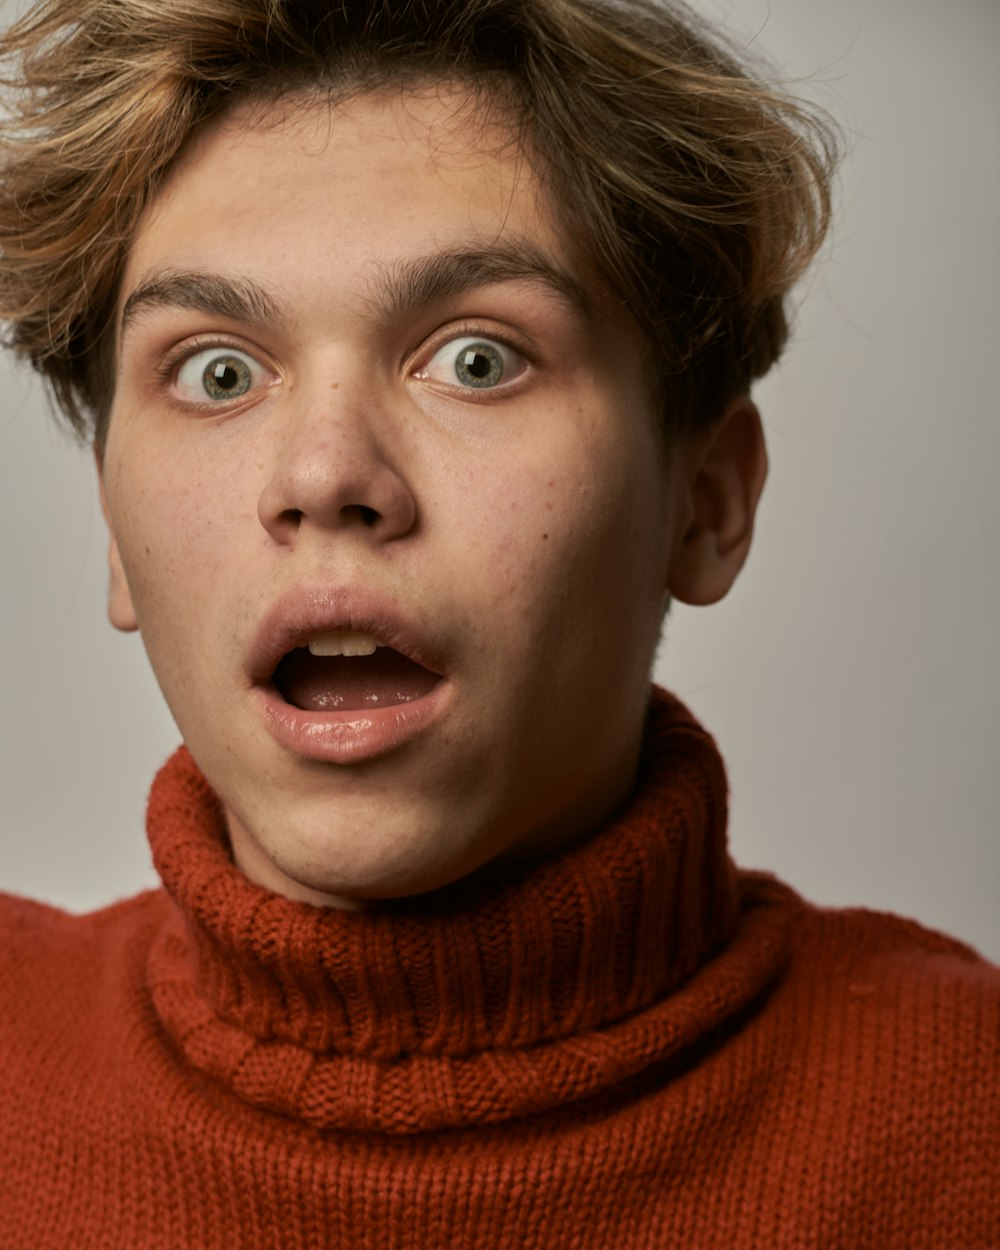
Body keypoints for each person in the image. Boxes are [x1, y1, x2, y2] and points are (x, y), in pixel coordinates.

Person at [0, 0, 995, 1246]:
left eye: (477, 357)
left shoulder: (968, 1116)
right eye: (216, 371)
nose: (322, 472)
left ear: (706, 502)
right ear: (113, 528)